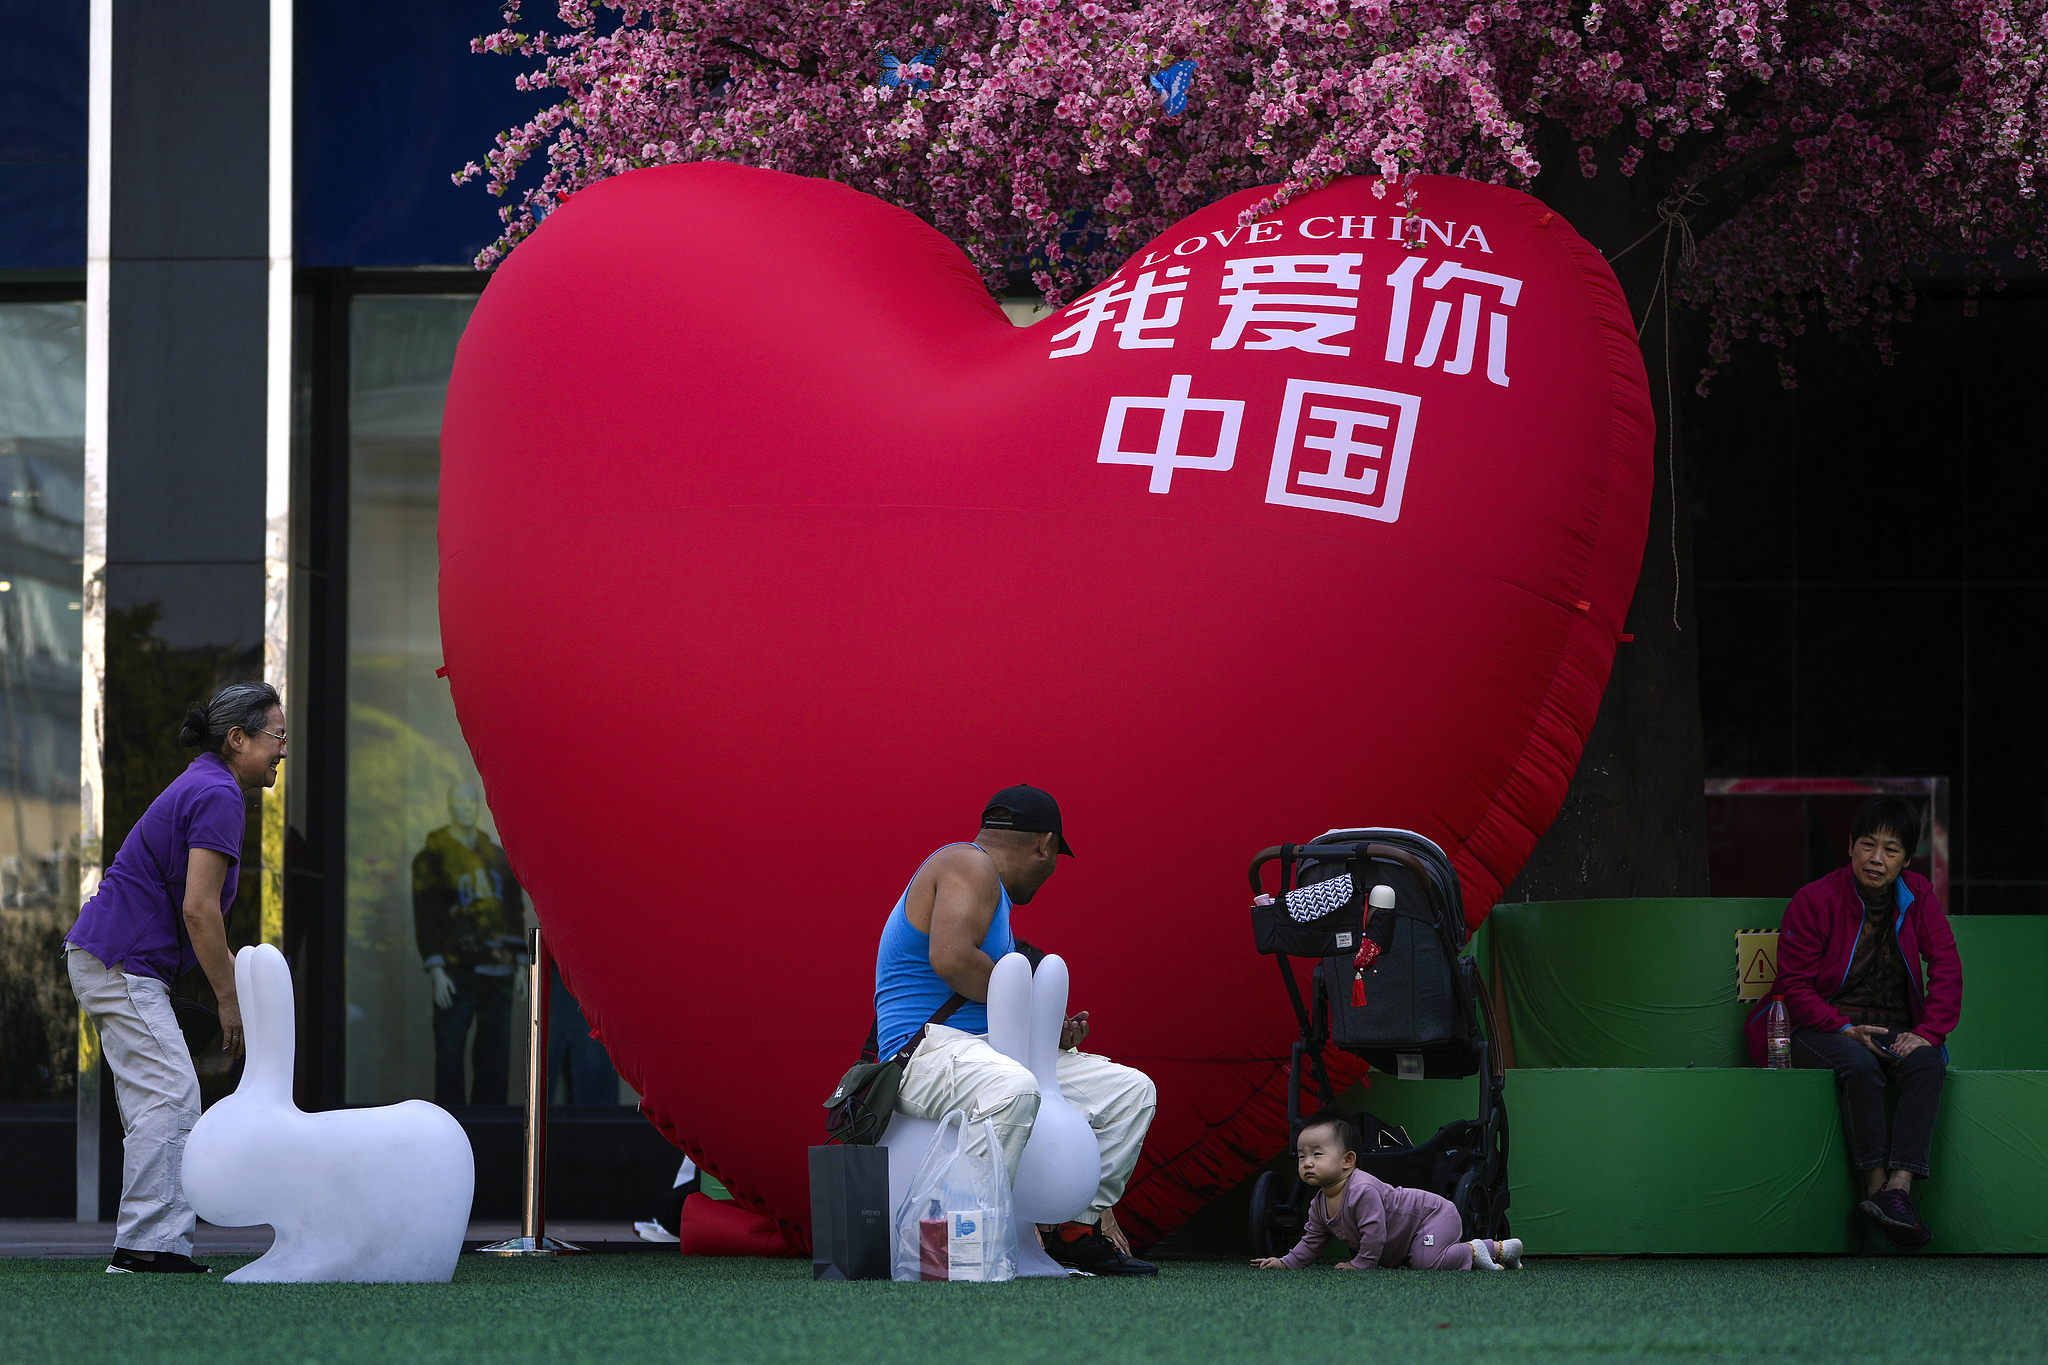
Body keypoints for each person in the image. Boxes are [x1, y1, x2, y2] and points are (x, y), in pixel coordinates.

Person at [875, 784, 1159, 1276]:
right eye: (1054, 858)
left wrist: (1046, 1033)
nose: (1050, 871)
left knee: (1129, 1093)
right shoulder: (969, 863)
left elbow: (997, 994)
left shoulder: (993, 896)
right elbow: (952, 958)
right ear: (1045, 845)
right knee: (1012, 1090)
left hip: (987, 1053)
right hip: (922, 1054)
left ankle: (1072, 1231)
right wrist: (1030, 1017)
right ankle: (958, 1244)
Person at [64, 681, 284, 1275]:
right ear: (238, 739)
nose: (282, 750)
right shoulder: (218, 793)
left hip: (110, 959)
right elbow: (199, 910)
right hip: (121, 963)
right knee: (172, 1096)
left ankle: (145, 1245)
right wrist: (229, 1000)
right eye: (276, 737)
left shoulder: (207, 782)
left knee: (155, 1101)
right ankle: (147, 1247)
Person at [1747, 795, 1962, 1249]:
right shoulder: (1815, 899)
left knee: (1927, 1063)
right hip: (1819, 1026)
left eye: (1890, 850)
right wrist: (1844, 1028)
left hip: (1890, 1025)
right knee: (1857, 1064)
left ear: (1906, 858)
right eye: (1868, 845)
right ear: (1850, 846)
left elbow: (1946, 965)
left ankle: (1898, 1191)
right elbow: (1795, 986)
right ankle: (1875, 1185)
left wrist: (1927, 1034)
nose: (1876, 859)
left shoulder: (1919, 895)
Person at [1251, 1111, 1521, 1272]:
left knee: (1425, 1261)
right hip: (1418, 1229)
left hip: (1435, 1215)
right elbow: (1312, 1241)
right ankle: (1497, 1251)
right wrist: (1286, 1263)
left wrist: (1361, 1265)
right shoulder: (1319, 1203)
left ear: (1348, 1160)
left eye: (1317, 1154)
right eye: (1301, 1157)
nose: (1307, 1163)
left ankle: (1481, 1249)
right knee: (1419, 1257)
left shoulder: (1361, 1189)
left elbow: (1374, 1233)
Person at [412, 781, 527, 1106]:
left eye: (471, 801)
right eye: (460, 801)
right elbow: (426, 913)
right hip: (455, 967)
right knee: (450, 1054)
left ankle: (490, 1129)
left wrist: (520, 962)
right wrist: (435, 966)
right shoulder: (430, 859)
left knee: (495, 1055)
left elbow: (513, 912)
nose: (466, 807)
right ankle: (450, 1127)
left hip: (498, 967)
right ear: (449, 805)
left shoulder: (498, 857)